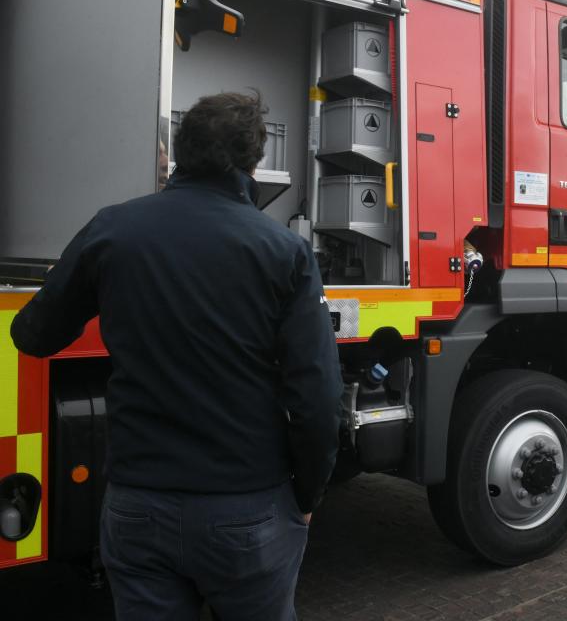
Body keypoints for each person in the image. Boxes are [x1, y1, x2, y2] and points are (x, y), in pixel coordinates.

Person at [10, 92, 342, 620]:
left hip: (139, 502)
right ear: (253, 161)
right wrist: (307, 497)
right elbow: (318, 398)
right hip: (247, 504)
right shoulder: (284, 251)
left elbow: (32, 335)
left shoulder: (113, 229)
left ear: (179, 153)